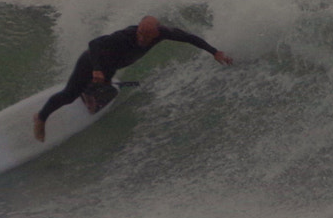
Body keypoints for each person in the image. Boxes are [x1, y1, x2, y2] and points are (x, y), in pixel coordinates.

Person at [33, 14, 232, 141]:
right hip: (92, 63)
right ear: (137, 29)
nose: (142, 39)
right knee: (68, 95)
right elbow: (94, 43)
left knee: (108, 91)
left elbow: (190, 38)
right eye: (140, 34)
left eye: (147, 37)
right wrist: (96, 69)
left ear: (156, 34)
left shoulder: (163, 32)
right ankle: (41, 117)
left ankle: (90, 90)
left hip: (111, 67)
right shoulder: (124, 36)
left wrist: (214, 52)